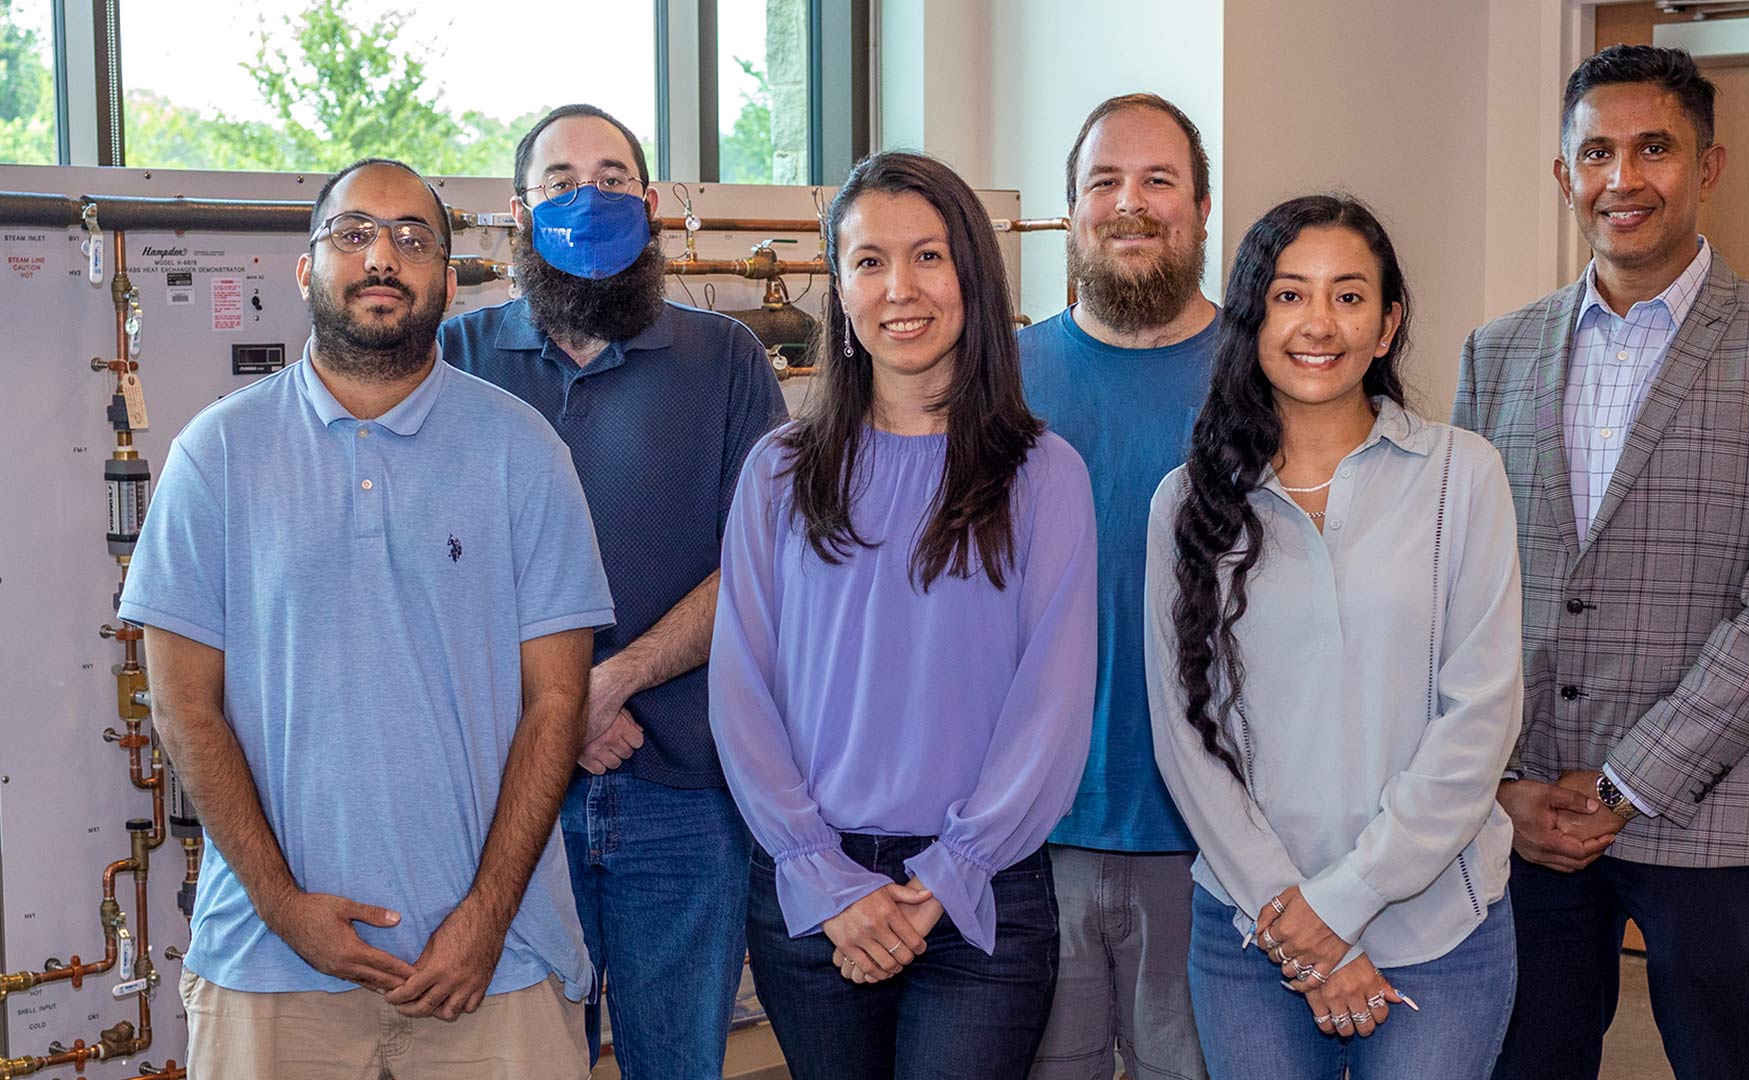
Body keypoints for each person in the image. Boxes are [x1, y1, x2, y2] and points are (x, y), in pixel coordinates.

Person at [123, 157, 612, 1079]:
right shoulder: (217, 454)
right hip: (270, 967)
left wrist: (486, 916)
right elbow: (184, 708)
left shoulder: (522, 452)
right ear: (305, 270)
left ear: (448, 276)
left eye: (413, 239)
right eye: (354, 233)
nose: (383, 257)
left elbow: (558, 701)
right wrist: (281, 905)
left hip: (493, 964)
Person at [1453, 45, 1749, 1080]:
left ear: (1708, 165)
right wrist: (1502, 786)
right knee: (1525, 1061)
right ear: (1562, 173)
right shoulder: (1495, 352)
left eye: (1654, 149)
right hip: (1528, 811)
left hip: (1707, 811)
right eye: (1596, 152)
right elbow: (1452, 589)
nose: (1621, 179)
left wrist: (1629, 782)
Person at [708, 150, 1098, 1080]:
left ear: (971, 271)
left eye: (928, 256)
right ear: (839, 289)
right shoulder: (778, 471)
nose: (900, 288)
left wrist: (944, 879)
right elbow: (741, 690)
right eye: (869, 261)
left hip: (981, 896)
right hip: (812, 893)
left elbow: (1050, 709)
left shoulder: (1044, 475)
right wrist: (823, 874)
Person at [439, 103, 787, 1078]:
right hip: (506, 803)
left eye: (609, 176)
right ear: (517, 213)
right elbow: (427, 572)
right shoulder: (455, 363)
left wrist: (612, 680)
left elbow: (758, 567)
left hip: (685, 797)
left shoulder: (725, 360)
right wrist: (559, 710)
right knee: (520, 1061)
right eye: (557, 181)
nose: (584, 198)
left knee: (677, 1060)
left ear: (651, 204)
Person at [1146, 195, 1524, 1080]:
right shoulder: (1185, 503)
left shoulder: (1463, 476)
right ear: (1251, 320)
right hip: (1252, 929)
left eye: (1350, 297)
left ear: (1388, 325)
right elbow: (1184, 736)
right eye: (1288, 296)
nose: (1319, 323)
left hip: (1440, 927)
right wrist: (1296, 919)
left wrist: (1341, 904)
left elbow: (1480, 717)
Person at [1020, 92, 1215, 1080]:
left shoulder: (1265, 378)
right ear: (1071, 207)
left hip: (1214, 842)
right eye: (1104, 181)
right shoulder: (1002, 382)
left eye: (1158, 180)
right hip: (1033, 836)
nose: (1129, 204)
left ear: (1203, 207)